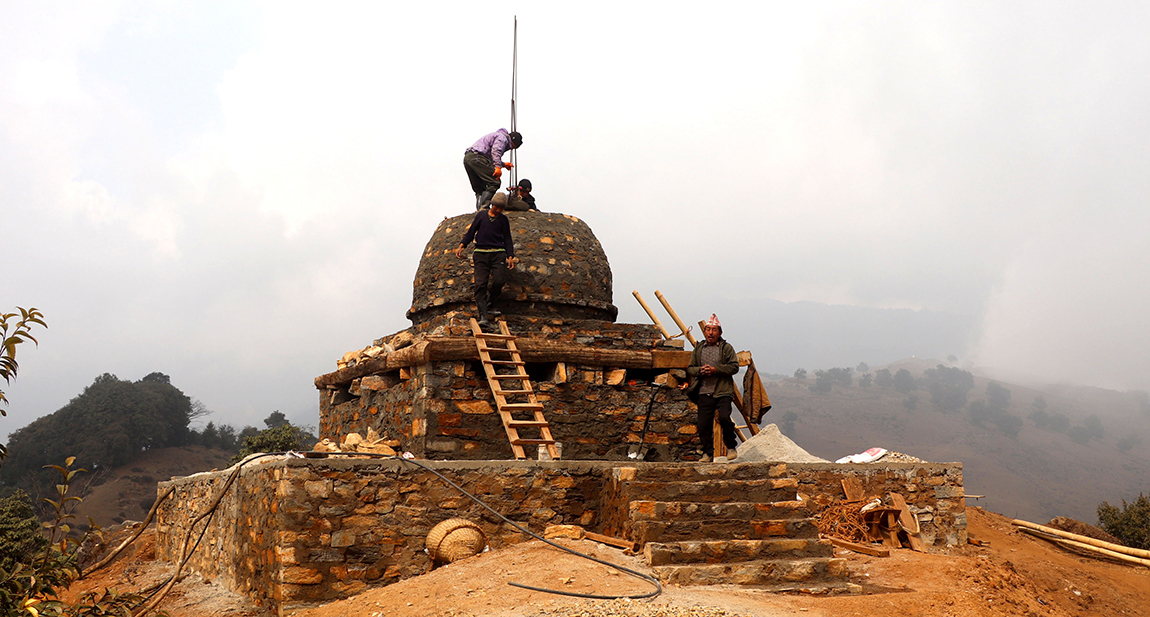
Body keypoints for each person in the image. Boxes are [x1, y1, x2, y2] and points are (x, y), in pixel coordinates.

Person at [455, 192, 519, 325]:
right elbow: (471, 232)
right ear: (492, 205)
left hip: (498, 253)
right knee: (480, 284)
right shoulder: (481, 216)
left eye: (502, 208)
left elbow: (507, 238)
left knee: (499, 281)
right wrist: (462, 246)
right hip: (481, 253)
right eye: (498, 207)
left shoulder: (503, 220)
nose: (499, 210)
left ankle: (490, 304)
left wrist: (510, 256)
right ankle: (483, 315)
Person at [684, 314, 740, 462]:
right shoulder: (699, 348)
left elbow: (734, 367)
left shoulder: (726, 348)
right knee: (703, 425)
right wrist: (700, 371)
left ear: (720, 333)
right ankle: (707, 453)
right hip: (704, 391)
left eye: (714, 330)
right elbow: (691, 368)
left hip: (723, 391)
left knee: (724, 418)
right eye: (708, 330)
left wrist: (715, 369)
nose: (710, 333)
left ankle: (731, 446)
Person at [464, 128, 522, 210]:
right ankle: (484, 208)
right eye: (513, 147)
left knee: (480, 188)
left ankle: (480, 210)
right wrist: (498, 167)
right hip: (478, 159)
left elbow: (490, 157)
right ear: (512, 142)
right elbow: (496, 151)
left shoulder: (497, 136)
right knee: (494, 181)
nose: (511, 149)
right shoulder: (503, 138)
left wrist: (503, 164)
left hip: (469, 158)